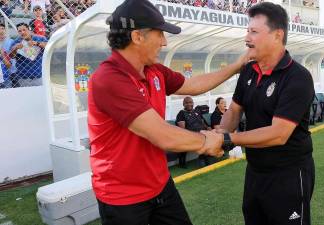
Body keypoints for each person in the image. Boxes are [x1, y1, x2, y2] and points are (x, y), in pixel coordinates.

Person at [88, 0, 248, 224]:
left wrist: (236, 67)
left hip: (160, 184)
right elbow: (161, 134)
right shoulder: (109, 79)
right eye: (160, 34)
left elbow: (194, 85)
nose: (164, 42)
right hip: (123, 198)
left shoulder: (153, 70)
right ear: (137, 37)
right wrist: (208, 141)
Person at [217, 2, 315, 225]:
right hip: (255, 172)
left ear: (277, 35)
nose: (247, 37)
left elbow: (278, 134)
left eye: (253, 31)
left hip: (288, 175)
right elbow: (234, 109)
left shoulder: (297, 77)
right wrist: (221, 132)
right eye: (247, 30)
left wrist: (227, 139)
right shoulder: (249, 70)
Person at [176, 96, 211, 168]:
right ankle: (202, 158)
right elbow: (183, 130)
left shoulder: (196, 111)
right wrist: (194, 135)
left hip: (202, 132)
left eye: (190, 102)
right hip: (191, 135)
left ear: (193, 103)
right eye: (186, 103)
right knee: (202, 140)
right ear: (183, 104)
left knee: (211, 136)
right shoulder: (181, 114)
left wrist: (208, 128)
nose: (189, 104)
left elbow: (203, 122)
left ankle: (204, 157)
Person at [9, 22, 47, 87]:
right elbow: (11, 56)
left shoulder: (40, 38)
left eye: (24, 30)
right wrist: (15, 48)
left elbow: (49, 46)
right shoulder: (16, 42)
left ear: (29, 30)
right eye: (19, 31)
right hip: (23, 77)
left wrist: (37, 43)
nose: (22, 32)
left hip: (40, 75)